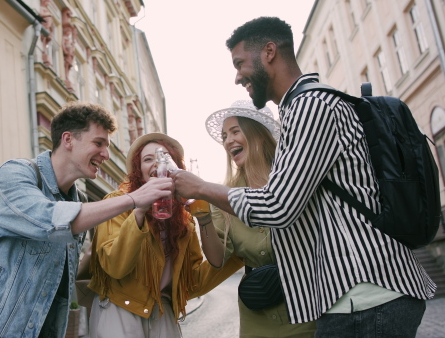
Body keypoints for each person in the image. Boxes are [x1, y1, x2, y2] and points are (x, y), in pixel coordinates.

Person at [172, 17, 436, 337]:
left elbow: (277, 206)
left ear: (269, 52)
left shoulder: (310, 105)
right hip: (353, 299)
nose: (238, 76)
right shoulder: (303, 106)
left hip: (365, 297)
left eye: (240, 63)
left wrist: (199, 186)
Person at [0, 102, 173, 338]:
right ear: (67, 140)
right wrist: (133, 199)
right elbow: (49, 219)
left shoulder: (77, 199)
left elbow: (58, 288)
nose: (106, 155)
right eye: (98, 143)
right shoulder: (16, 173)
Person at [87, 132, 243, 337]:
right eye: (148, 159)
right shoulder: (118, 202)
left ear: (175, 169)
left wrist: (240, 253)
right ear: (138, 170)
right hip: (120, 309)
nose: (157, 164)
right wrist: (140, 210)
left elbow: (192, 282)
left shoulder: (184, 219)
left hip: (163, 312)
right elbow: (115, 267)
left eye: (165, 158)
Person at [196, 99, 315, 337]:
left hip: (307, 304)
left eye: (235, 131)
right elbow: (218, 259)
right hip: (257, 313)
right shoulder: (223, 195)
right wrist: (203, 217)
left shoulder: (294, 177)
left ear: (259, 134)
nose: (228, 140)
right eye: (224, 136)